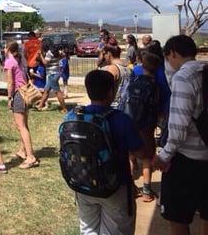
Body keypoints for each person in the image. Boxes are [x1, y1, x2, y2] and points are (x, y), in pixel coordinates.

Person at [73, 70, 144, 235]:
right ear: (111, 91)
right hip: (115, 186)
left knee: (88, 230)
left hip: (83, 183)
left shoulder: (73, 116)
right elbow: (141, 153)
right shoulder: (121, 119)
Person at [153, 35, 208, 235]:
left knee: (177, 217)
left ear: (173, 53)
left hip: (187, 161)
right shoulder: (205, 70)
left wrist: (164, 155)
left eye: (168, 58)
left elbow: (178, 127)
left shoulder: (183, 78)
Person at [128, 52, 161, 202]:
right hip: (147, 127)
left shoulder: (134, 81)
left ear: (142, 65)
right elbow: (157, 108)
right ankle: (147, 191)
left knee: (130, 155)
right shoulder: (155, 86)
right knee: (147, 158)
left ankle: (131, 188)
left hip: (131, 124)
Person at [4, 41, 39, 169]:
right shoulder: (21, 61)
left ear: (8, 49)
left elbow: (10, 83)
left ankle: (30, 157)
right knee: (25, 124)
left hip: (18, 94)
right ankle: (22, 150)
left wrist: (9, 98)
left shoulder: (9, 62)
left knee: (21, 126)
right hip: (26, 94)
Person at [36, 45, 67, 112]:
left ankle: (64, 109)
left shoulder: (49, 53)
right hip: (56, 73)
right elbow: (63, 55)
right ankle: (40, 106)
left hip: (52, 75)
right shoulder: (56, 52)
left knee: (57, 92)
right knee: (46, 91)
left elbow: (45, 63)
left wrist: (41, 55)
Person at [101, 41, 131, 107]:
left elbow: (105, 89)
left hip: (115, 105)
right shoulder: (128, 68)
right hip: (125, 104)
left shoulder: (113, 69)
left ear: (108, 54)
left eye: (104, 54)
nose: (104, 57)